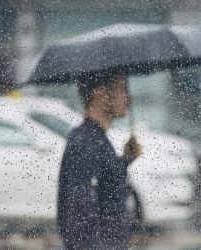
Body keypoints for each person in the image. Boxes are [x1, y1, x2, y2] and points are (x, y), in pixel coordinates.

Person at [57, 70, 142, 250]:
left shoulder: (94, 139)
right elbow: (76, 221)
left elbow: (104, 189)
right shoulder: (86, 143)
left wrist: (125, 160)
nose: (129, 99)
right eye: (123, 89)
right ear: (100, 94)